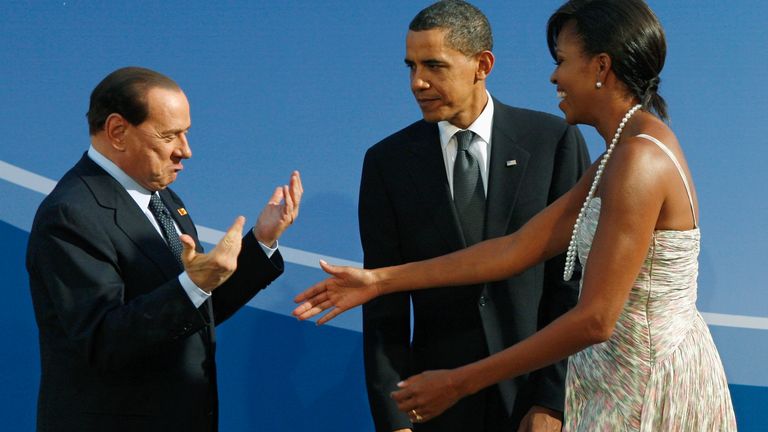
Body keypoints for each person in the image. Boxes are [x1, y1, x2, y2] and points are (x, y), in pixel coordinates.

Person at [294, 0, 737, 430]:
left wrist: (459, 381)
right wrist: (380, 280)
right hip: (616, 383)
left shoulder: (638, 160)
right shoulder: (618, 154)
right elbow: (516, 249)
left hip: (646, 391)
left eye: (562, 60)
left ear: (601, 68)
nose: (554, 75)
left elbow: (595, 319)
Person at [27, 66, 302, 432]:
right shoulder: (71, 215)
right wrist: (193, 284)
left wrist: (261, 242)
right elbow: (103, 339)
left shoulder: (164, 198)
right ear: (118, 132)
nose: (185, 151)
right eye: (170, 135)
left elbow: (195, 311)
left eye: (185, 133)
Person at [355, 1, 589, 431]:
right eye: (410, 66)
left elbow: (570, 284)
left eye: (434, 66)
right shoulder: (387, 163)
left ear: (482, 64)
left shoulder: (553, 142)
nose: (417, 82)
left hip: (531, 405)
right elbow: (383, 311)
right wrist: (396, 420)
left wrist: (551, 402)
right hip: (437, 407)